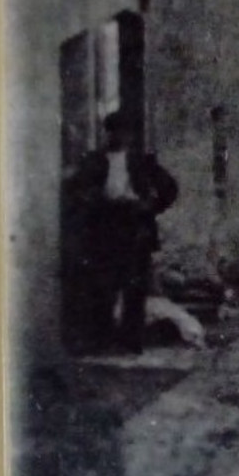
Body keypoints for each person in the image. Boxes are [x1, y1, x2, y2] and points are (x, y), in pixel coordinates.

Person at [69, 112, 179, 354]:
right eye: (116, 131)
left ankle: (131, 342)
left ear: (131, 135)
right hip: (105, 224)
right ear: (108, 133)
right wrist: (91, 202)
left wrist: (151, 207)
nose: (121, 136)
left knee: (134, 286)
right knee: (103, 285)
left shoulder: (142, 161)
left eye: (126, 131)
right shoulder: (95, 160)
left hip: (135, 225)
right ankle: (103, 339)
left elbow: (169, 188)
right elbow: (76, 189)